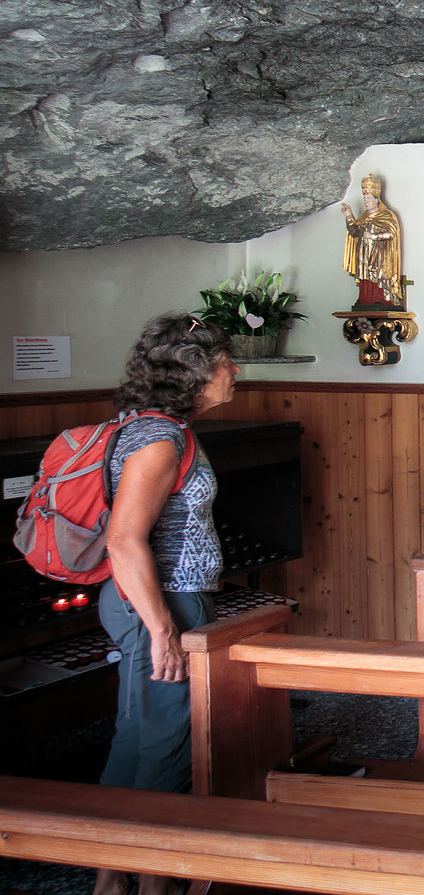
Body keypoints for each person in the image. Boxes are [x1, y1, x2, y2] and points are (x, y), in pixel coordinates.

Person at [92, 312, 238, 895]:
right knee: (169, 743)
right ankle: (152, 882)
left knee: (137, 737)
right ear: (196, 373)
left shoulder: (153, 426)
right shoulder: (158, 438)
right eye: (226, 361)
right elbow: (124, 539)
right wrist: (162, 632)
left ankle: (111, 877)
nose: (235, 371)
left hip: (156, 600)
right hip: (161, 603)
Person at [341, 173, 405, 308]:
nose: (366, 201)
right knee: (365, 277)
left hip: (379, 255)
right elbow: (355, 232)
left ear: (377, 200)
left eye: (369, 198)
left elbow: (391, 234)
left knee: (377, 277)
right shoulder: (364, 216)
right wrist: (349, 216)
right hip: (363, 254)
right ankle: (364, 299)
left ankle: (380, 299)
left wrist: (374, 237)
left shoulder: (386, 215)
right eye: (365, 198)